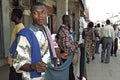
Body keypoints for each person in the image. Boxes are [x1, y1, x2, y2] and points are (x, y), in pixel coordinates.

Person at [56, 15, 78, 80]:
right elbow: (66, 46)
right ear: (68, 21)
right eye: (70, 20)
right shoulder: (65, 31)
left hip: (63, 53)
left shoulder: (61, 29)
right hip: (65, 55)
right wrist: (75, 46)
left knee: (67, 72)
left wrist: (72, 43)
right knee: (69, 74)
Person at [8, 8, 24, 80]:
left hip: (16, 62)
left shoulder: (20, 27)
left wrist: (15, 62)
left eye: (12, 15)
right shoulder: (17, 27)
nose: (11, 16)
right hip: (13, 61)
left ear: (15, 16)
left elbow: (20, 46)